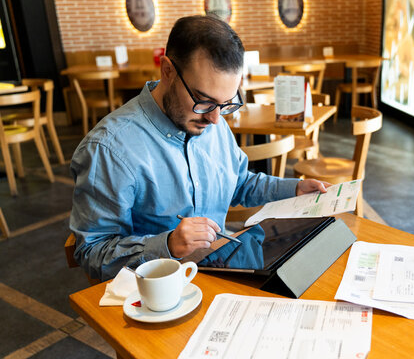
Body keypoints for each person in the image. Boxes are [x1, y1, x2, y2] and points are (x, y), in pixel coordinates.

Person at [70, 15, 329, 281]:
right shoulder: (109, 149)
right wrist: (167, 245)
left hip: (219, 267)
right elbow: (92, 253)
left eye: (227, 103)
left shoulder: (212, 118)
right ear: (167, 71)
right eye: (203, 100)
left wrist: (293, 189)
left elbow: (238, 183)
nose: (215, 118)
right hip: (158, 290)